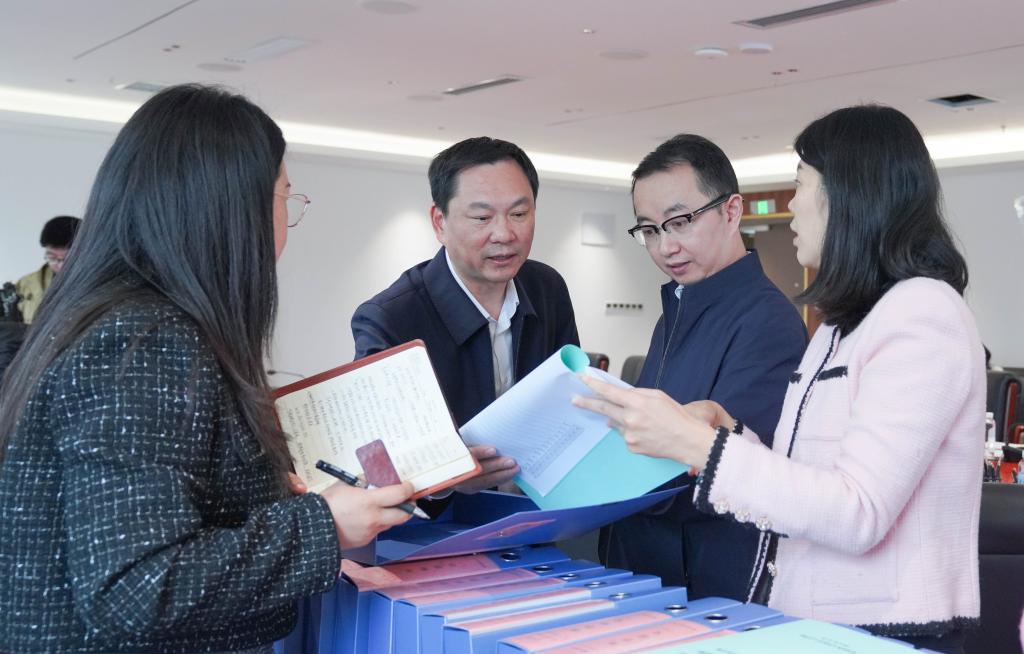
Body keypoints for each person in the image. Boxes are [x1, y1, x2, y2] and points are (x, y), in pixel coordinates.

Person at [0, 84, 414, 653]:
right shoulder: (144, 340)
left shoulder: (123, 317)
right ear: (232, 208)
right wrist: (325, 525)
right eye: (284, 197)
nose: (286, 220)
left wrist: (266, 493)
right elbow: (138, 586)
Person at [577, 105, 982, 654]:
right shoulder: (843, 324)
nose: (792, 209)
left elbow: (858, 512)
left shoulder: (922, 312)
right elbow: (805, 474)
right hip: (816, 617)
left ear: (849, 195)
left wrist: (700, 446)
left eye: (801, 186)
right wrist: (728, 430)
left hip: (888, 630)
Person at [600, 135, 806, 600]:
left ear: (731, 212)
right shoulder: (677, 308)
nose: (665, 246)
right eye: (649, 230)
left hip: (706, 581)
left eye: (680, 222)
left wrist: (609, 486)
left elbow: (734, 473)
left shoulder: (768, 321)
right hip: (646, 564)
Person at [351, 136, 580, 493]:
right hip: (442, 522)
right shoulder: (389, 319)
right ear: (439, 222)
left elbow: (570, 402)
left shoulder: (547, 288)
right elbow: (377, 467)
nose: (504, 233)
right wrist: (449, 480)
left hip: (537, 509)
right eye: (481, 217)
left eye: (519, 214)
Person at [13, 215, 82, 324]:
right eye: (52, 258)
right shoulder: (27, 284)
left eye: (67, 260)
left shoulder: (99, 283)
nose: (60, 266)